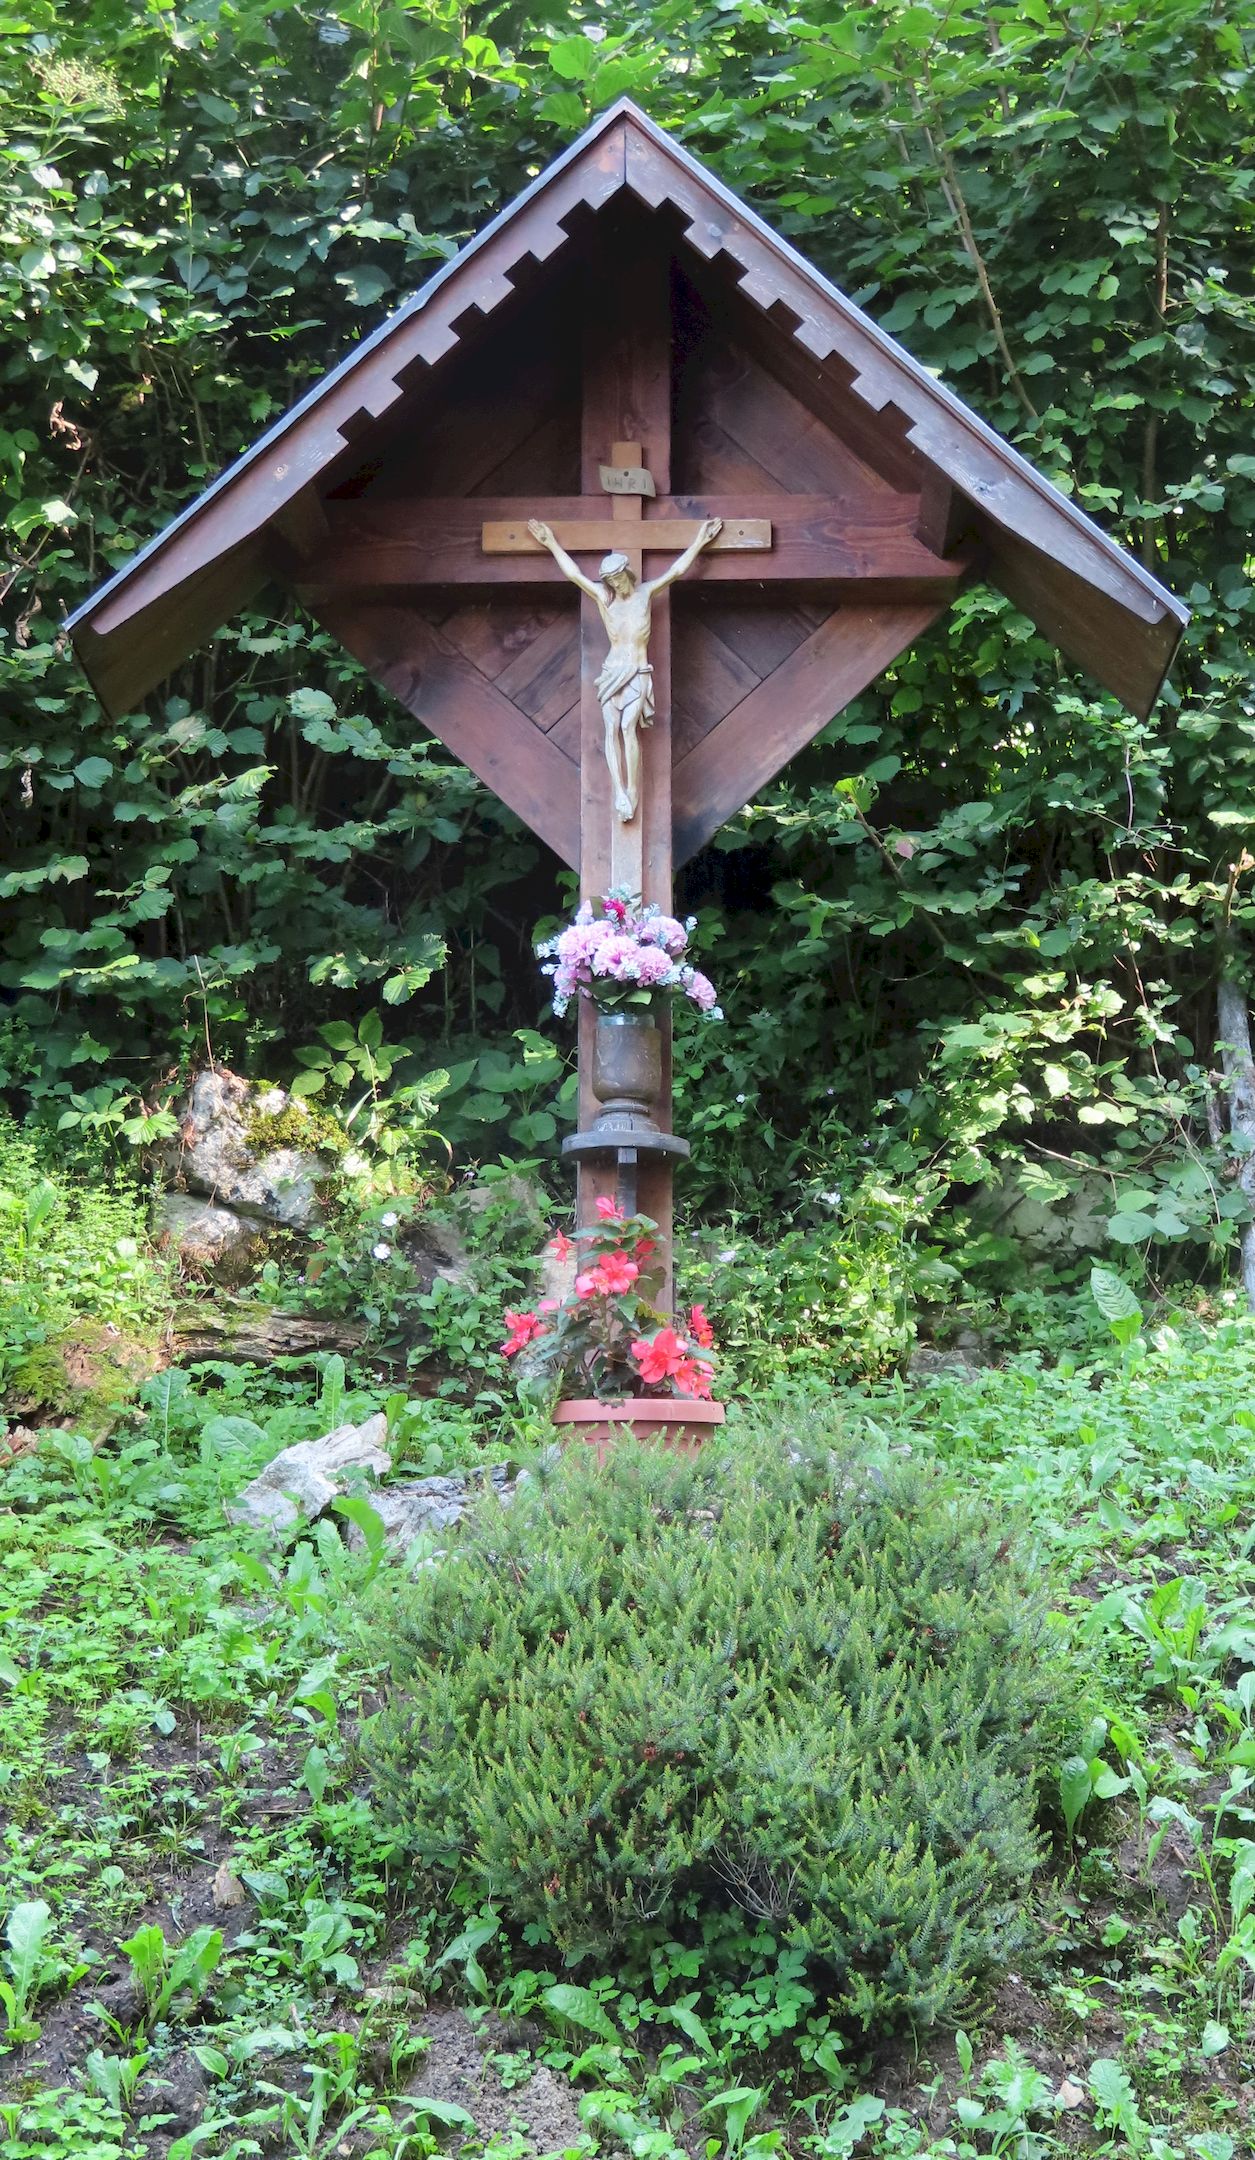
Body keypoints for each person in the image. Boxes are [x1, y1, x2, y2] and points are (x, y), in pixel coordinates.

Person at [527, 515, 723, 821]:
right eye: (611, 581)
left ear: (627, 574)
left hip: (637, 670)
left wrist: (700, 540)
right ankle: (619, 791)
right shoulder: (605, 600)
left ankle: (632, 790)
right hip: (612, 672)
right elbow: (575, 575)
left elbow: (676, 571)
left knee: (628, 728)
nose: (617, 585)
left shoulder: (645, 594)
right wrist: (550, 542)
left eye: (619, 578)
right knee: (611, 730)